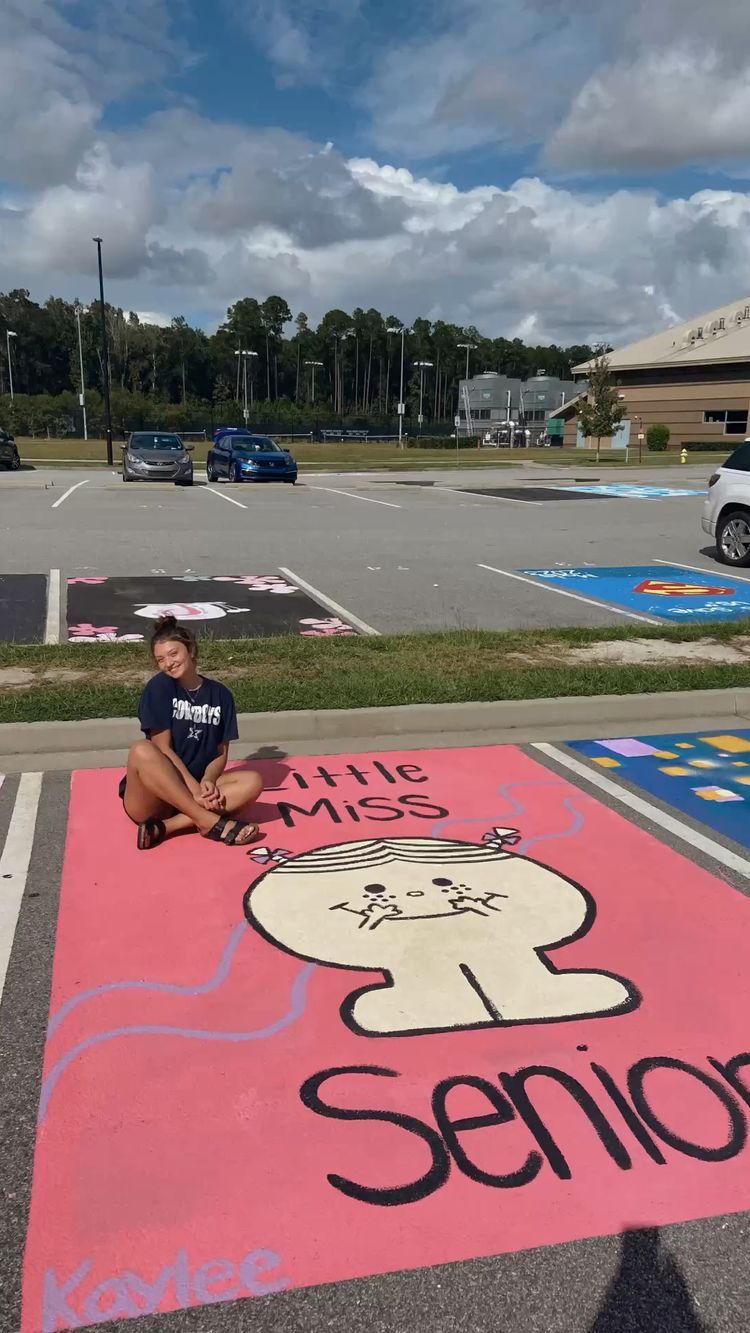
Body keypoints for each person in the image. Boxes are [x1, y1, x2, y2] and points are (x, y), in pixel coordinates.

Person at [120, 614, 262, 850]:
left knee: (253, 781)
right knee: (141, 749)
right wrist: (194, 791)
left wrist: (207, 780)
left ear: (190, 650)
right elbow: (162, 748)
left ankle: (167, 827)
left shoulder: (221, 695)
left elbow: (220, 753)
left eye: (173, 654)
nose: (168, 663)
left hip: (195, 790)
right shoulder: (160, 687)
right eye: (160, 659)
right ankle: (208, 821)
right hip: (155, 796)